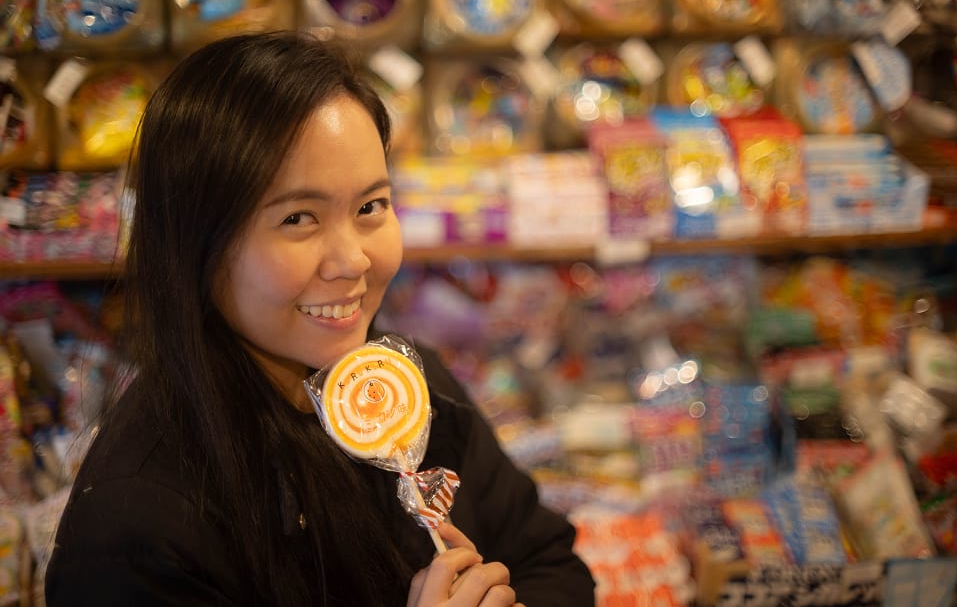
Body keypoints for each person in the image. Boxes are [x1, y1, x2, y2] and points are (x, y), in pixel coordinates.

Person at [45, 33, 595, 605]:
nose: (354, 259)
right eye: (299, 218)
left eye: (370, 207)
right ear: (195, 245)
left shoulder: (405, 389)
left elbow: (550, 561)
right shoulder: (137, 521)